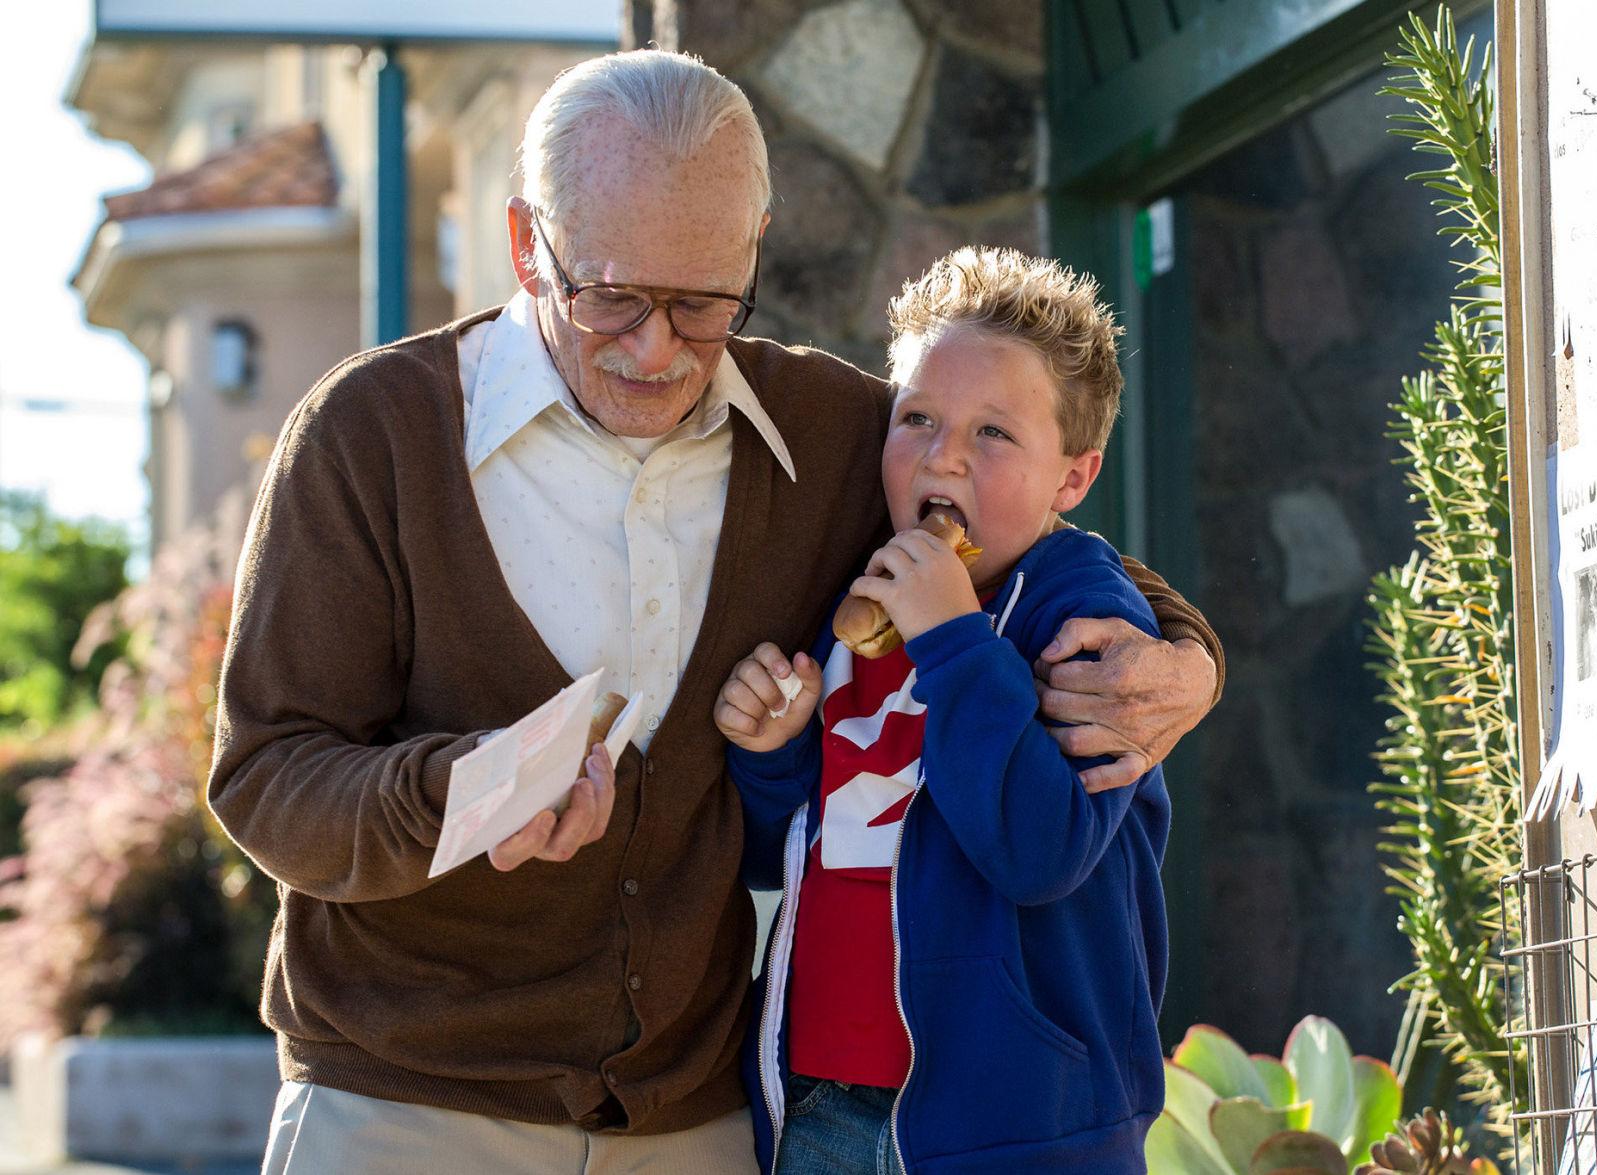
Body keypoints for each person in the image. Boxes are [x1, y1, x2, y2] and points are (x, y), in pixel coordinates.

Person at [208, 50, 1222, 1175]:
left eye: (701, 303)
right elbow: (263, 775)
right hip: (406, 1100)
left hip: (696, 1118)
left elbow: (1022, 530)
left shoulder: (839, 433)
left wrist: (1188, 659)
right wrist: (451, 797)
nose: (655, 349)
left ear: (753, 248)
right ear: (521, 245)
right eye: (609, 297)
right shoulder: (368, 435)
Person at [715, 246, 1170, 1173]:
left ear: (1072, 480)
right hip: (816, 1105)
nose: (943, 453)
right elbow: (785, 856)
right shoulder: (853, 602)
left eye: (994, 434)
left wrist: (958, 644)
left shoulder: (1087, 619)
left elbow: (1040, 851)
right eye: (916, 417)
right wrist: (773, 754)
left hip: (1012, 1129)